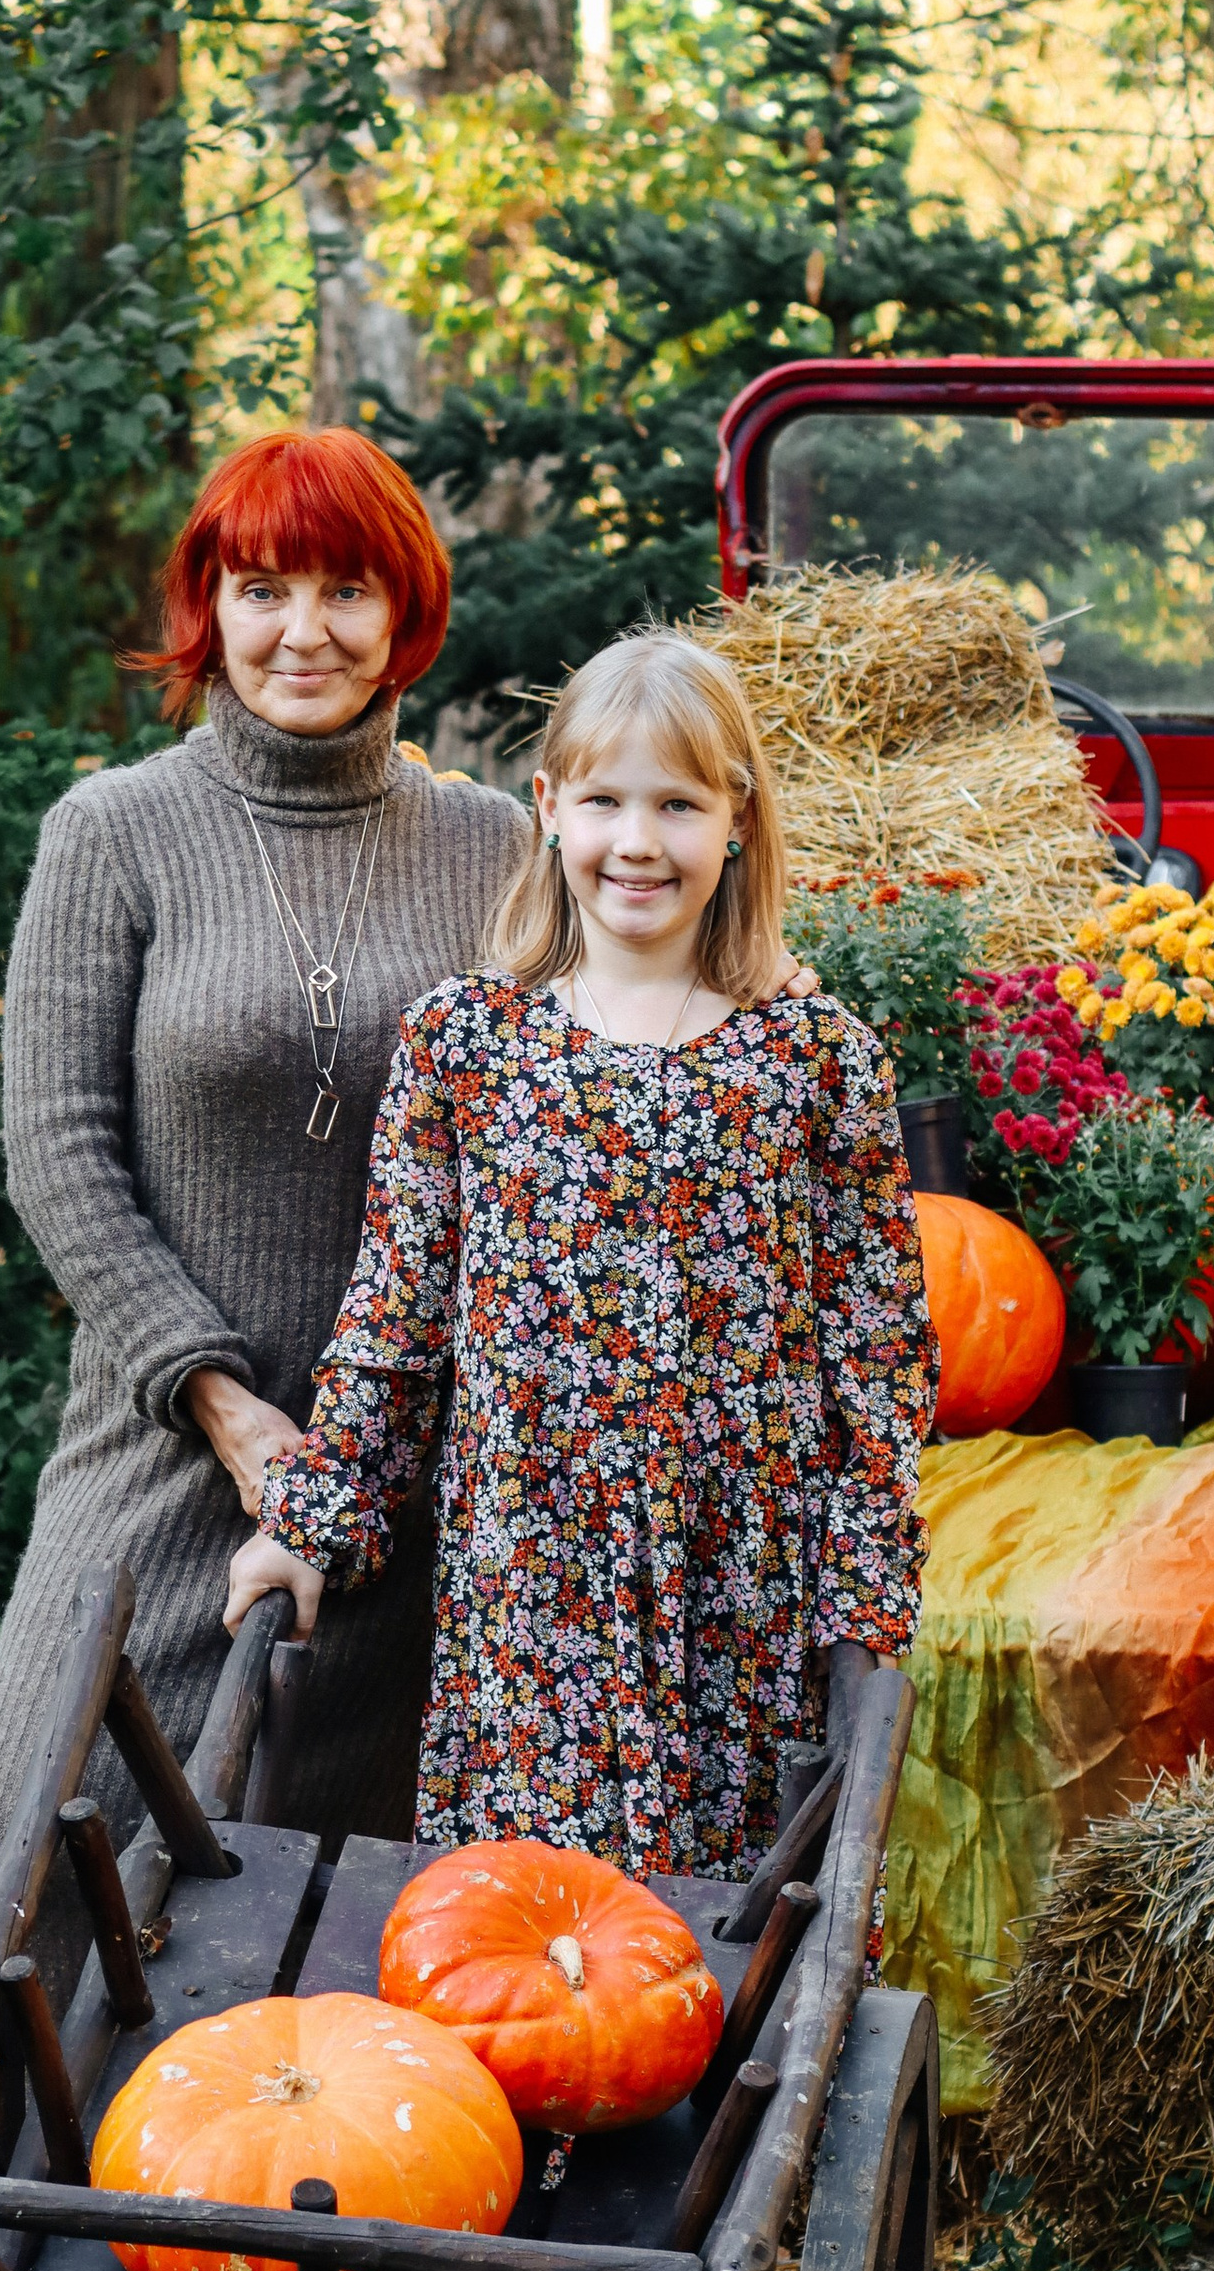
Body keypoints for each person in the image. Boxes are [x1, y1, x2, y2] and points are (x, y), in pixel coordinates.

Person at [224, 630, 935, 1879]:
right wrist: (315, 1518)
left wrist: (862, 1587)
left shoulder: (815, 1060)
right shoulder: (466, 1044)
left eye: (678, 805)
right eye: (605, 801)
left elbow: (873, 1352)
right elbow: (396, 1320)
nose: (638, 842)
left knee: (720, 1939)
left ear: (738, 818)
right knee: (524, 1931)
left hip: (739, 1590)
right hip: (529, 1582)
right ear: (549, 808)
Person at [0, 428, 533, 1880]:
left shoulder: (497, 847)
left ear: (405, 613)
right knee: (34, 1852)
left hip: (412, 1481)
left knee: (345, 1903)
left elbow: (583, 1090)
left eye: (346, 590)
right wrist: (219, 1402)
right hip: (161, 1442)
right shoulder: (117, 832)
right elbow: (58, 1155)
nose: (303, 632)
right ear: (210, 606)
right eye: (264, 589)